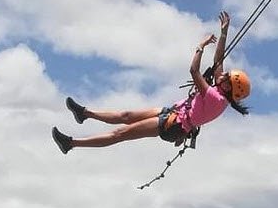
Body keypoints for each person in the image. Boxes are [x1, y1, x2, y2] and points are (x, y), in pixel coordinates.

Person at [52, 11, 250, 154]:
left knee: (120, 134)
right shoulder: (221, 92)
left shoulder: (216, 97)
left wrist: (200, 47)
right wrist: (224, 34)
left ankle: (71, 143)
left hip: (174, 124)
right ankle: (84, 113)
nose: (222, 76)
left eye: (226, 78)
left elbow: (194, 71)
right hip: (174, 113)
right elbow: (219, 62)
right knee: (126, 115)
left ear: (228, 87)